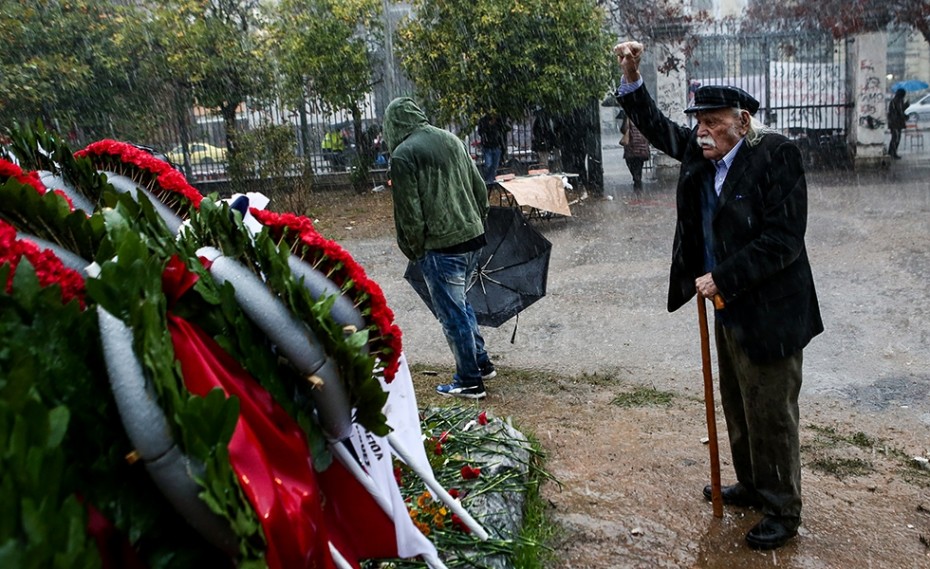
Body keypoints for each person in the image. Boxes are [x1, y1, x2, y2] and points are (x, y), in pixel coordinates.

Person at [613, 41, 823, 551]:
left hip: (771, 312)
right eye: (699, 120)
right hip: (726, 307)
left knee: (771, 411)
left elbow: (783, 240)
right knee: (738, 404)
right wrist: (630, 74)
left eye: (712, 120)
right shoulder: (701, 154)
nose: (701, 130)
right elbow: (658, 126)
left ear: (743, 122)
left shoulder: (777, 156)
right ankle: (752, 485)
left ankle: (782, 509)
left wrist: (722, 277)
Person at [383, 97, 497, 399]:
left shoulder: (404, 155)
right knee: (461, 304)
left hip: (442, 246)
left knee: (451, 313)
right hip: (473, 238)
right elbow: (479, 188)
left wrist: (415, 249)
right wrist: (476, 221)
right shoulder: (451, 139)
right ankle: (481, 363)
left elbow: (409, 211)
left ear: (393, 124)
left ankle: (469, 380)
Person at [620, 116, 650, 194]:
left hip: (631, 146)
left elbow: (623, 130)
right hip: (641, 146)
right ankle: (637, 179)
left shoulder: (628, 117)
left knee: (631, 163)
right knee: (638, 165)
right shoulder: (643, 116)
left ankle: (636, 179)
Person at [477, 113, 509, 183]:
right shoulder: (484, 121)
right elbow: (480, 132)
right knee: (488, 164)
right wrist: (489, 126)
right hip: (487, 146)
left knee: (495, 166)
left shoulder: (499, 121)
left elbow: (503, 131)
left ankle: (491, 180)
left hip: (496, 146)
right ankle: (488, 180)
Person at [887, 88, 908, 159]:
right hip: (896, 122)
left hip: (894, 122)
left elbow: (900, 109)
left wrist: (906, 105)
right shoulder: (897, 100)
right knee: (896, 138)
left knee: (895, 137)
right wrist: (905, 116)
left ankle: (891, 152)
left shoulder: (896, 100)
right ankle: (893, 153)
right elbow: (900, 111)